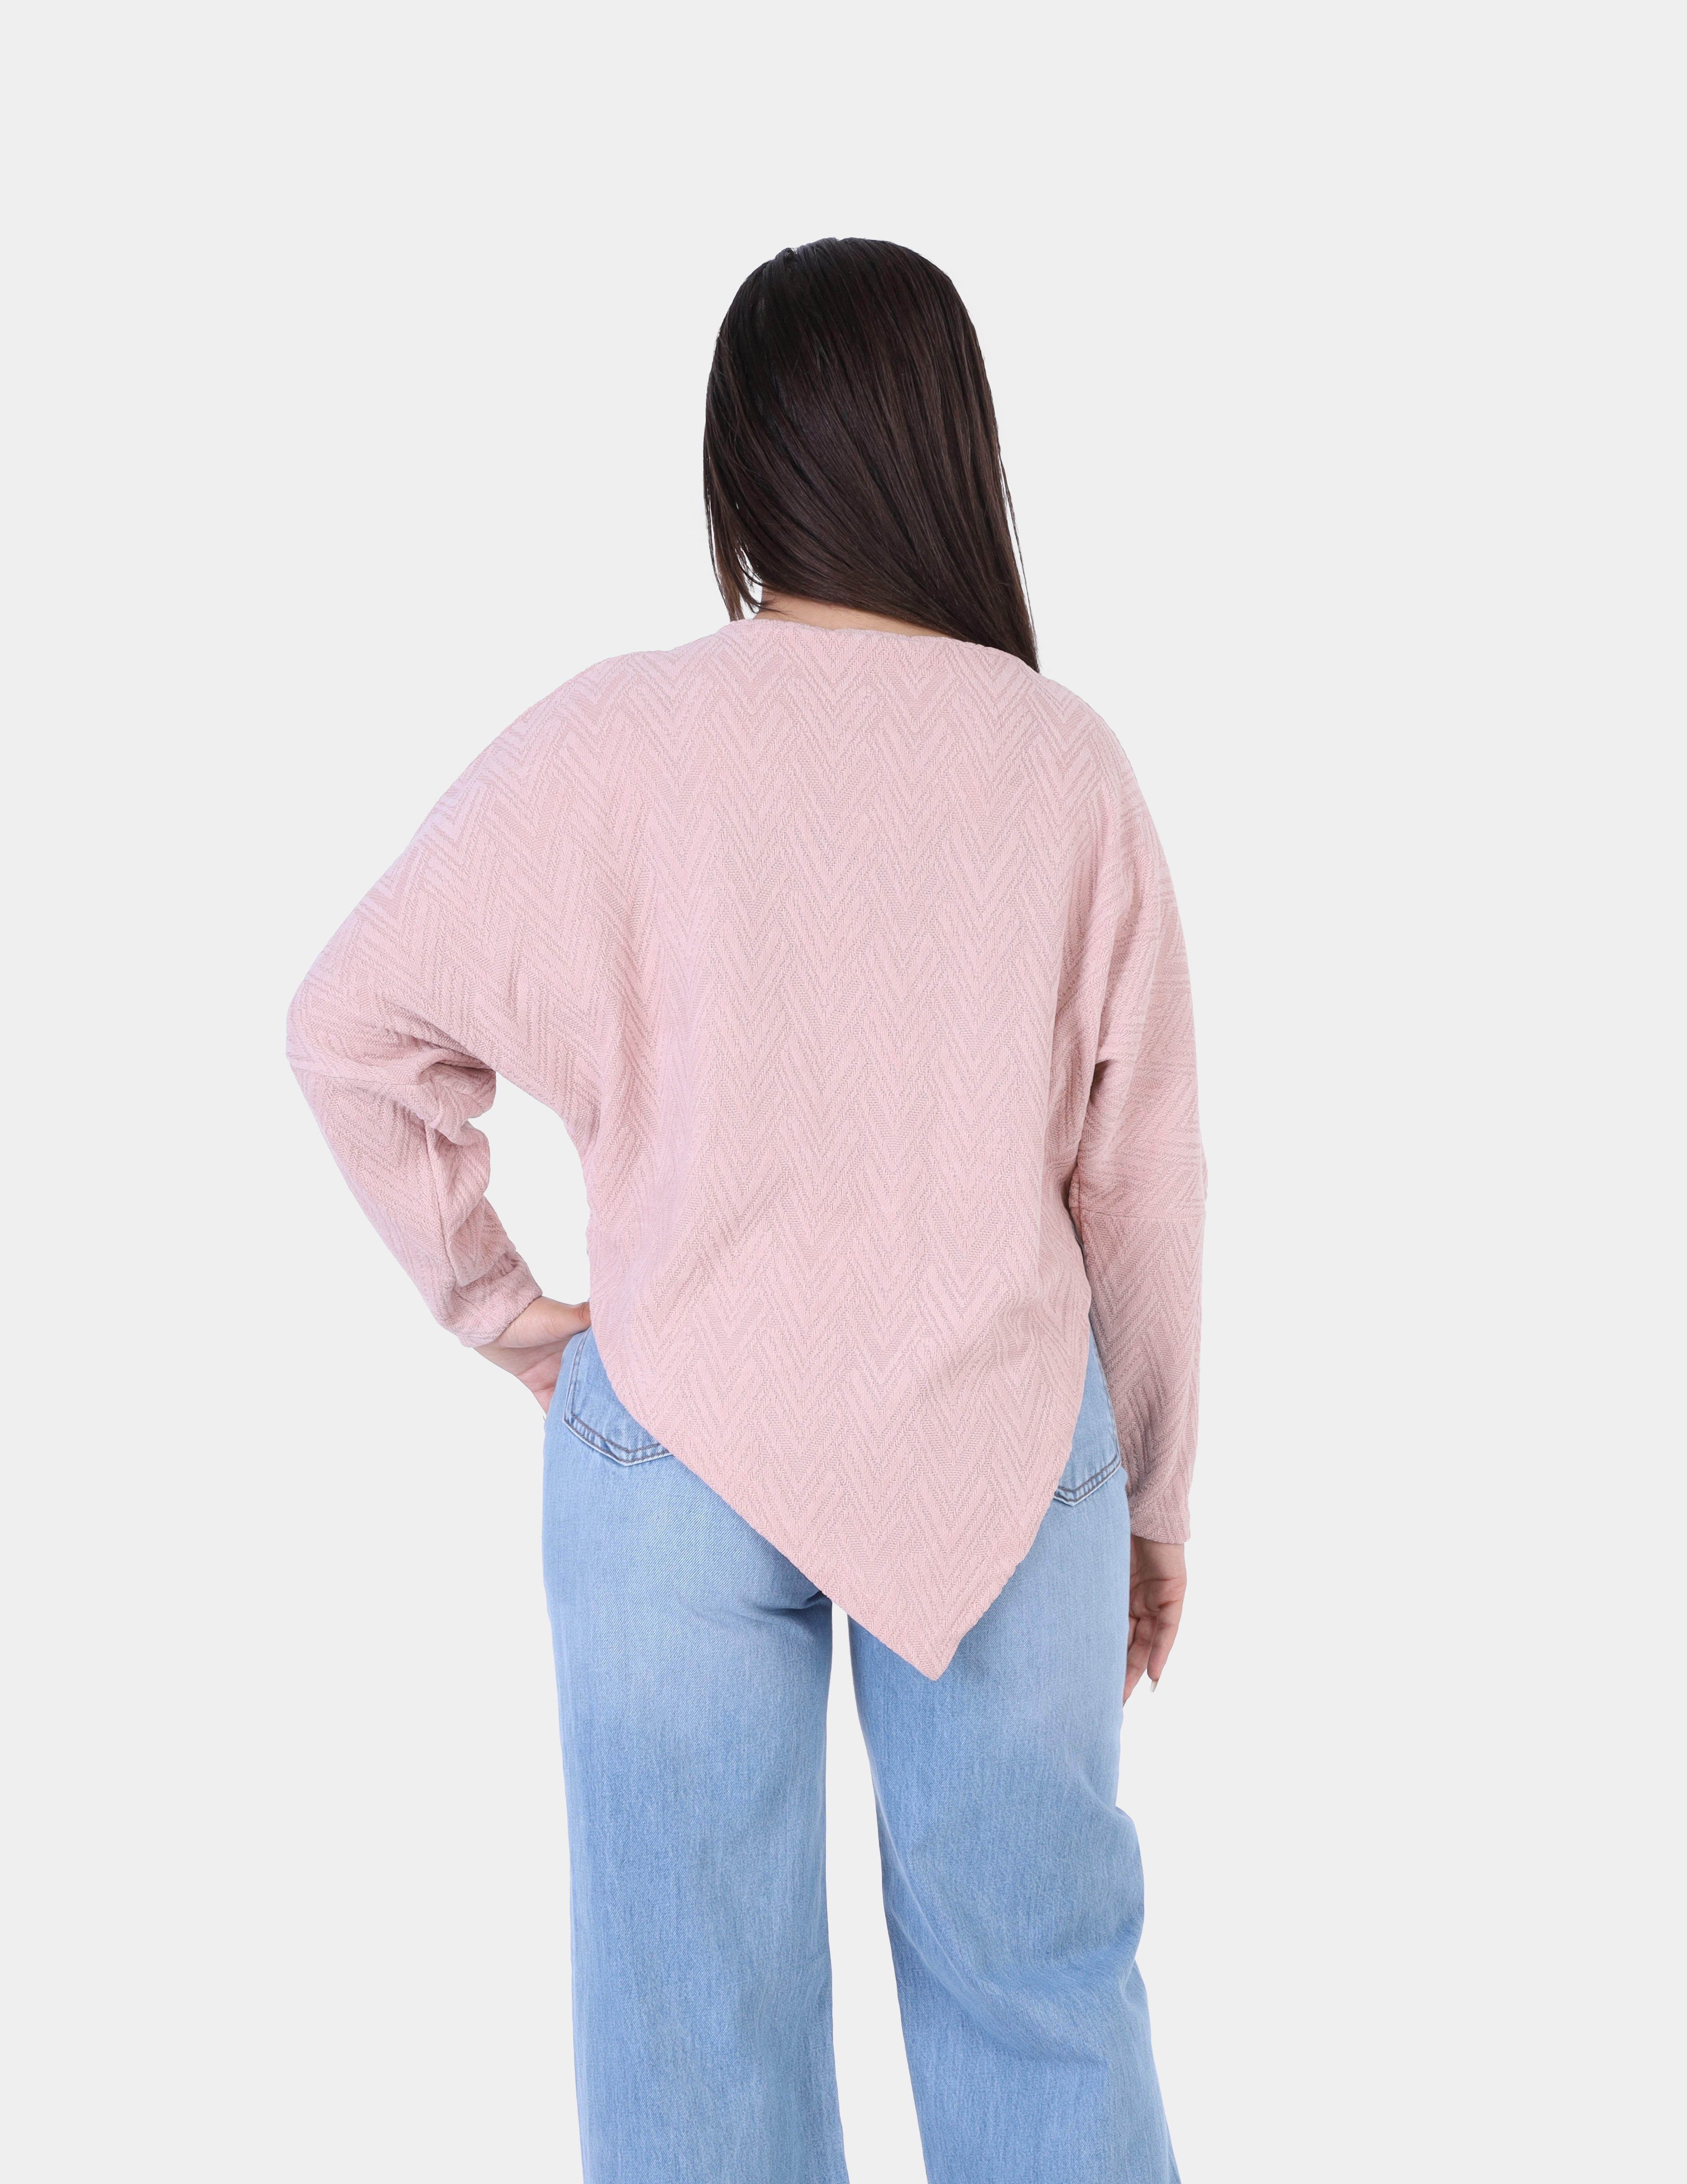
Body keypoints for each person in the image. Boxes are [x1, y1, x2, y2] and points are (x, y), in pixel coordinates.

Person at [288, 236, 1206, 2184]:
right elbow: (1138, 1183)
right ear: (956, 454)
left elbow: (349, 1026)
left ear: (735, 475)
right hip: (994, 1435)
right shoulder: (1059, 763)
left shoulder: (614, 737)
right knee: (1040, 1988)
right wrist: (1148, 1504)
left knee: (687, 2030)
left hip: (677, 1429)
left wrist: (505, 1315)